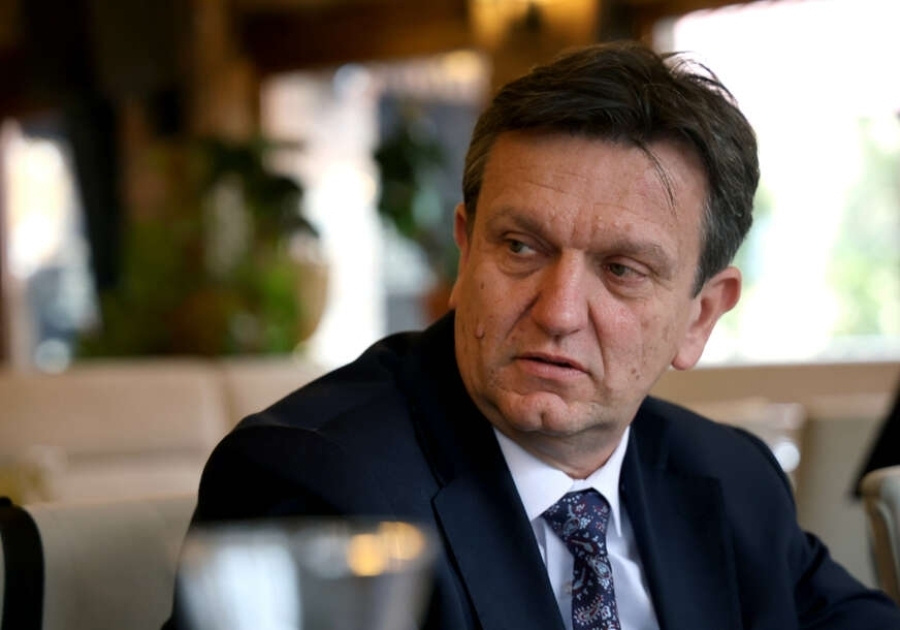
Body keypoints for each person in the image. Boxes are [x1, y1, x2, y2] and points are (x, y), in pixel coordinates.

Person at [165, 41, 900, 629]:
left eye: (621, 269)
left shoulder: (733, 480)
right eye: (521, 247)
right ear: (465, 251)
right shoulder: (313, 483)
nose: (558, 312)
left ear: (701, 314)